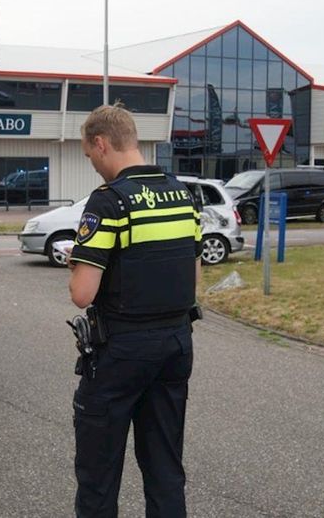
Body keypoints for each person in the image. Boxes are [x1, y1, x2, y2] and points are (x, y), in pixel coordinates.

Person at [67, 104, 202, 517]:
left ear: (101, 143)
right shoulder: (183, 193)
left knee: (99, 475)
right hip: (176, 344)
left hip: (122, 349)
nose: (93, 166)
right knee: (165, 469)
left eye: (90, 156)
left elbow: (82, 294)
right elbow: (193, 281)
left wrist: (77, 259)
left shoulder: (109, 202)